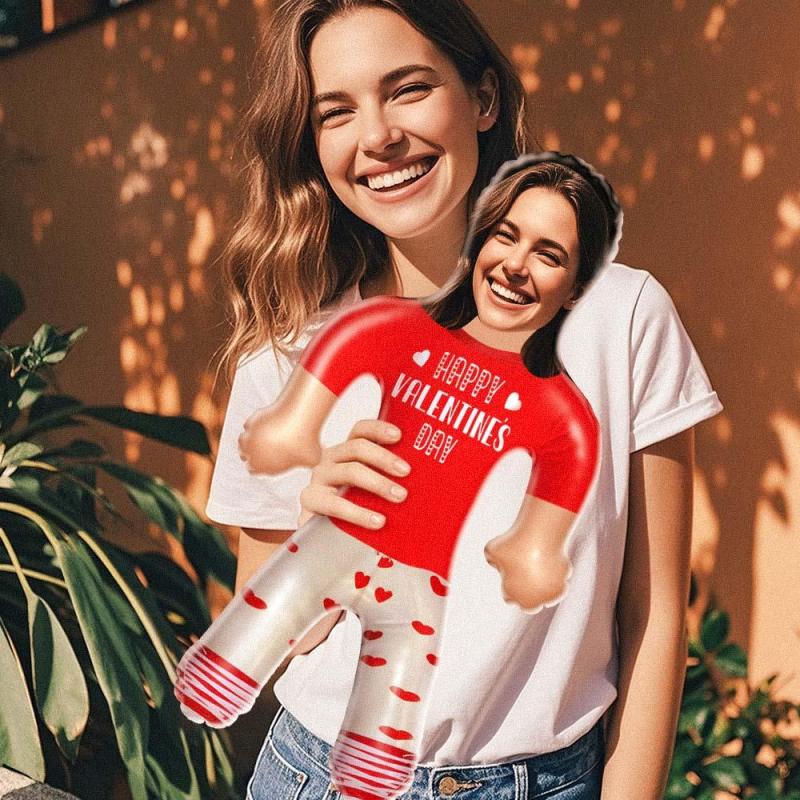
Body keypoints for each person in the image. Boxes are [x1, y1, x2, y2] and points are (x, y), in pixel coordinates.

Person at [205, 2, 723, 798]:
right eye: (336, 112)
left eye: (408, 89)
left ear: (482, 98)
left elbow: (651, 619)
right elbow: (278, 636)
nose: (377, 136)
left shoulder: (620, 318)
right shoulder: (288, 353)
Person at [180, 157, 608, 799]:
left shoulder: (554, 401)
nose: (516, 265)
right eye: (506, 236)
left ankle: (373, 765)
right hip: (342, 541)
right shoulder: (403, 327)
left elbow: (568, 461)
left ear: (576, 287)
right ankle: (218, 676)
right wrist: (297, 431)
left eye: (549, 255)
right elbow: (346, 348)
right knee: (285, 592)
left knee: (400, 670)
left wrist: (531, 548)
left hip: (422, 574)